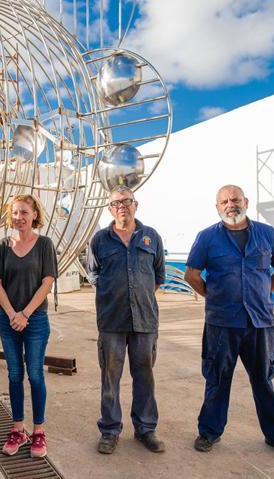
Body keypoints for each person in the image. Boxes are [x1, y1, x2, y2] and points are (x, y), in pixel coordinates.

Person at [183, 184, 274, 460]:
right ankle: (209, 432)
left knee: (263, 380)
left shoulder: (266, 234)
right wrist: (214, 297)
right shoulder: (207, 238)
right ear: (217, 207)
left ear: (245, 201)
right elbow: (192, 274)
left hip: (259, 322)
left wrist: (262, 293)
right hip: (222, 323)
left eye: (235, 199)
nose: (230, 204)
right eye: (224, 201)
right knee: (217, 379)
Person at [86, 185, 166, 455]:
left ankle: (146, 429)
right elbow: (94, 276)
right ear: (110, 208)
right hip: (111, 322)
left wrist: (139, 296)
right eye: (116, 203)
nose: (122, 206)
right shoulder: (99, 240)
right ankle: (110, 430)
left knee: (145, 376)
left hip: (145, 321)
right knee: (110, 378)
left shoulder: (151, 237)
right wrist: (115, 295)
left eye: (127, 201)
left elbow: (159, 276)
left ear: (136, 205)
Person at [0, 194, 58, 458]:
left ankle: (38, 431)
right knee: (14, 374)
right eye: (15, 213)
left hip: (36, 320)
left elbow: (47, 281)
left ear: (34, 215)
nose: (19, 217)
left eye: (24, 212)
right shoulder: (3, 246)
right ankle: (18, 428)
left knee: (36, 374)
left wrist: (26, 314)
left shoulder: (44, 244)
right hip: (8, 320)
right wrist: (11, 314)